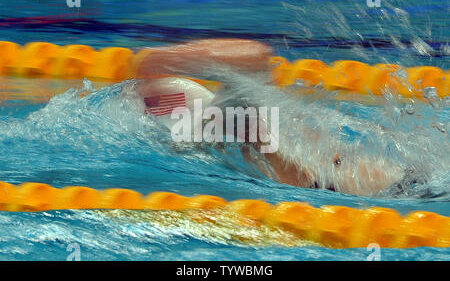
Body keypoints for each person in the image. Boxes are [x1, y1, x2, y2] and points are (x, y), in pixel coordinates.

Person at [134, 38, 406, 196]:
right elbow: (257, 58)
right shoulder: (269, 151)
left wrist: (161, 59)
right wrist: (161, 59)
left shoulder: (265, 153)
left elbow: (257, 58)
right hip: (408, 185)